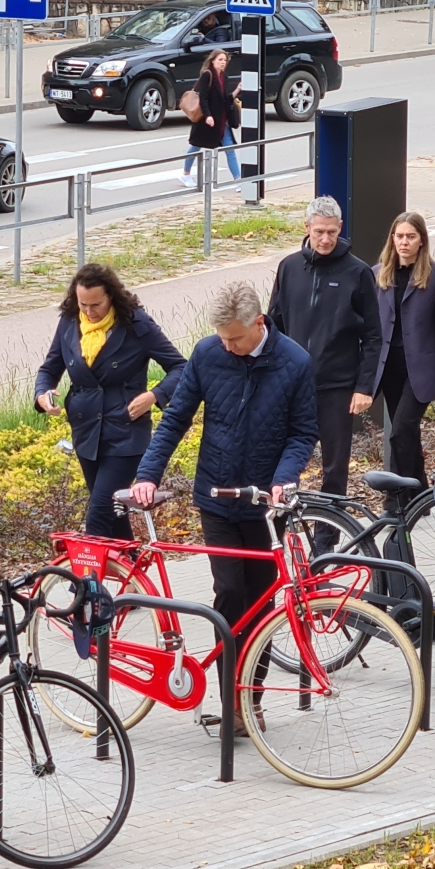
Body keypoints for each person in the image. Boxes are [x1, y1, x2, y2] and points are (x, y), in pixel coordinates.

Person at [131, 281, 318, 733]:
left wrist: (283, 481)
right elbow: (177, 417)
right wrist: (147, 473)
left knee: (260, 602)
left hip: (264, 503)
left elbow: (302, 432)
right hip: (215, 496)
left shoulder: (294, 362)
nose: (228, 346)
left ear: (259, 324)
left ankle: (250, 698)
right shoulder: (208, 352)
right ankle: (231, 701)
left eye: (235, 338)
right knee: (230, 593)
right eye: (222, 337)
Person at [35, 264, 187, 541]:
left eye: (97, 305)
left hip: (125, 435)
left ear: (111, 297)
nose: (90, 312)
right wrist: (43, 392)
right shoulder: (70, 322)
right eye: (84, 305)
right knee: (116, 519)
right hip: (86, 435)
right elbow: (49, 368)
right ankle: (131, 579)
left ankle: (88, 584)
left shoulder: (136, 324)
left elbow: (180, 367)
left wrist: (154, 395)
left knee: (99, 515)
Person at [267, 195, 381, 543]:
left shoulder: (358, 272)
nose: (326, 239)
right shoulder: (289, 268)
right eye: (319, 232)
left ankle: (326, 539)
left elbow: (374, 336)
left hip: (338, 386)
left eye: (332, 232)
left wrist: (364, 387)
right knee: (284, 462)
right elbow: (273, 325)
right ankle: (280, 528)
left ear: (340, 229)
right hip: (293, 385)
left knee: (334, 467)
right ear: (307, 229)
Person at [372, 212, 435, 489]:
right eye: (399, 236)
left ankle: (396, 496)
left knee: (400, 432)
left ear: (421, 241)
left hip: (421, 369)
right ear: (392, 239)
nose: (404, 242)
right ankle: (420, 492)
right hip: (390, 367)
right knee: (407, 433)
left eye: (411, 236)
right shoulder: (377, 274)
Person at [181, 49, 239, 188]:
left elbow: (224, 99)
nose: (223, 63)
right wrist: (208, 115)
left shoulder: (223, 76)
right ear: (212, 60)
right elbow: (203, 97)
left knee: (230, 149)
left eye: (225, 60)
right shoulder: (207, 75)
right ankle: (185, 174)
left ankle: (238, 180)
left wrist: (237, 90)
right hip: (206, 120)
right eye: (220, 60)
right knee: (195, 146)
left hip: (221, 121)